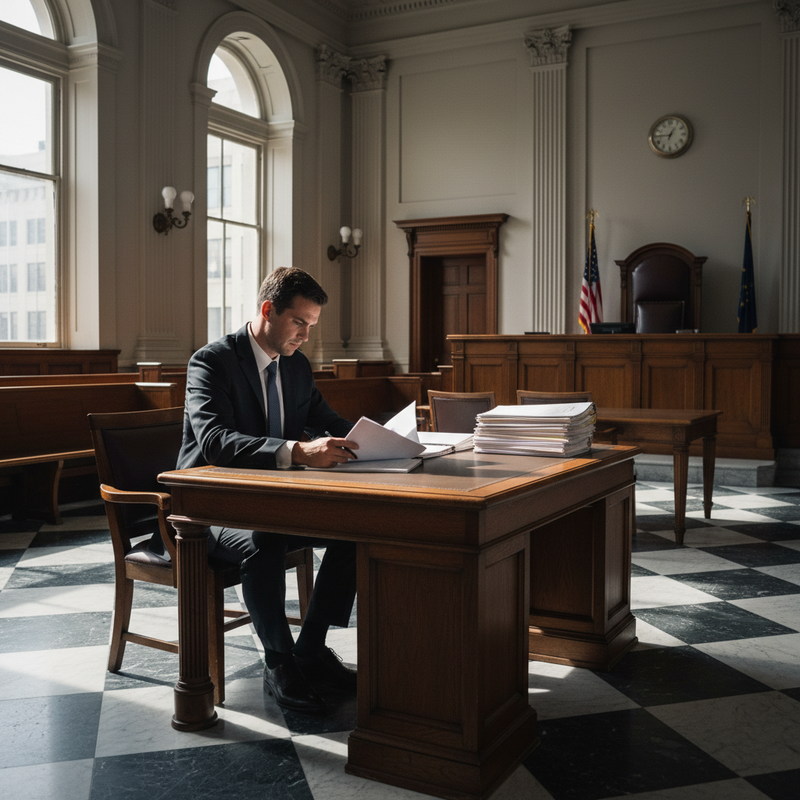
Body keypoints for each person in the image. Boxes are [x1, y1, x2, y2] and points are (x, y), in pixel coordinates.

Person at [178, 267, 360, 714]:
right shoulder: (212, 361)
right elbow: (215, 442)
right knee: (265, 540)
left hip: (273, 500)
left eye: (312, 326)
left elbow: (329, 421)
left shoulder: (296, 366)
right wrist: (297, 451)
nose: (305, 335)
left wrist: (375, 443)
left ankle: (310, 649)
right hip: (207, 508)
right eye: (300, 322)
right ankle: (279, 663)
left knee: (357, 530)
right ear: (267, 310)